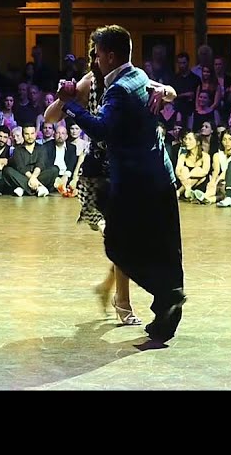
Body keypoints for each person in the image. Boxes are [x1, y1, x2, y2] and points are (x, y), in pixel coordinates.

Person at [59, 25, 186, 342]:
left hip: (136, 182)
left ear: (110, 55)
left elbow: (101, 129)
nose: (96, 59)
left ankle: (165, 296)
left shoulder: (117, 88)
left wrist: (70, 104)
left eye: (99, 53)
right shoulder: (139, 76)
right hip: (158, 176)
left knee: (122, 246)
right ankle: (165, 306)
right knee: (162, 247)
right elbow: (164, 91)